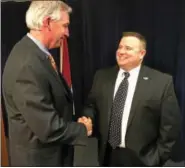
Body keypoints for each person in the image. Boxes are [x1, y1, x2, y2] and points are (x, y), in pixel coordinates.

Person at [2, 1, 92, 166]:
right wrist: (83, 129)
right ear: (47, 23)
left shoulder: (35, 54)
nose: (67, 33)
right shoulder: (27, 64)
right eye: (65, 26)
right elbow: (47, 128)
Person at [81, 32, 181, 166]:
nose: (121, 52)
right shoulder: (102, 77)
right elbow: (91, 106)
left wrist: (156, 159)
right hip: (108, 155)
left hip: (143, 159)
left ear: (142, 54)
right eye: (120, 47)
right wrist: (88, 118)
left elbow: (170, 126)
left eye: (128, 48)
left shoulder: (161, 82)